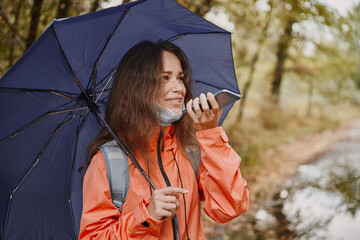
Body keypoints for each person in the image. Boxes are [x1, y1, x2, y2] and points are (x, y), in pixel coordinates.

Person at [79, 40, 249, 239]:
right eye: (164, 78)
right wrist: (145, 215)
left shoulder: (189, 147)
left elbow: (230, 207)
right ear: (137, 87)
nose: (179, 88)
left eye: (180, 78)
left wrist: (210, 134)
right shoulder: (107, 164)